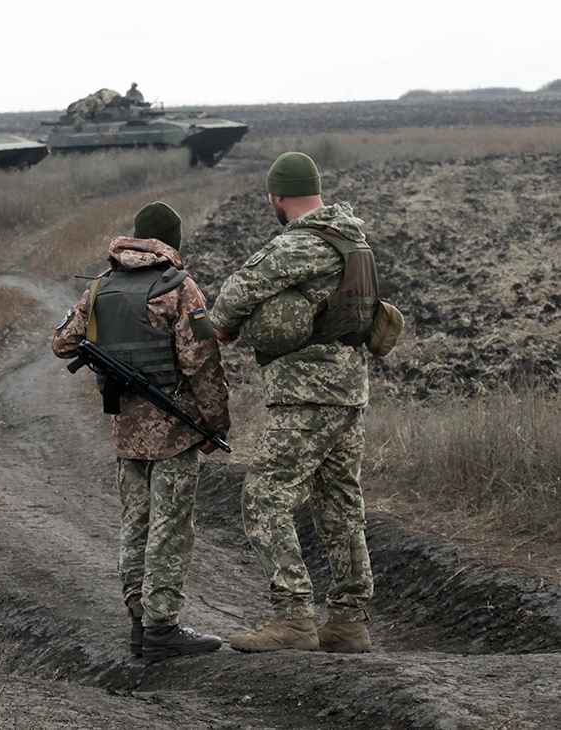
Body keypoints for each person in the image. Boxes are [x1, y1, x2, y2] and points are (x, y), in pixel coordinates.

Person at [208, 152, 378, 654]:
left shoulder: (301, 243)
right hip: (348, 390)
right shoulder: (355, 239)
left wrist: (225, 326)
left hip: (308, 393)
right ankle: (348, 622)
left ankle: (294, 616)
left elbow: (235, 295)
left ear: (278, 197)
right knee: (340, 504)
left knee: (263, 498)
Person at [52, 202, 231, 662]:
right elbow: (202, 362)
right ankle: (162, 628)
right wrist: (215, 422)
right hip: (175, 431)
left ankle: (140, 623)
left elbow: (61, 343)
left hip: (126, 431)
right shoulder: (177, 287)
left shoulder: (101, 287)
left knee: (136, 525)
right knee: (170, 528)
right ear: (173, 240)